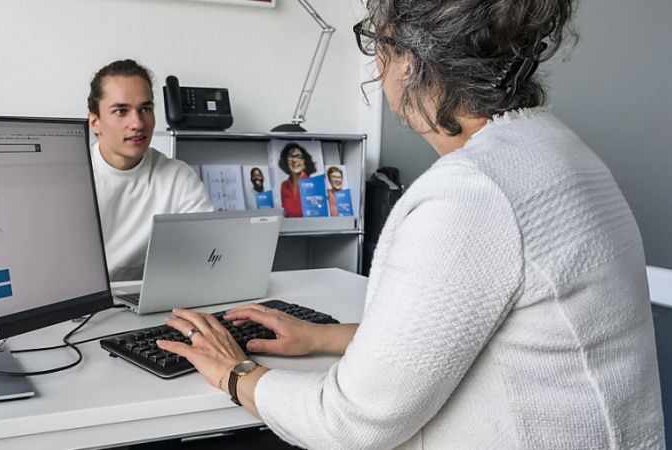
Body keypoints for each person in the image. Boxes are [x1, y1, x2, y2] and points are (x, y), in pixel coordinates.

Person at [156, 1, 664, 448]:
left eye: (379, 43)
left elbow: (347, 424)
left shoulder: (472, 194)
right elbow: (469, 333)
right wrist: (325, 337)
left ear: (413, 61)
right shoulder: (558, 150)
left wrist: (234, 371)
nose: (377, 64)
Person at [87, 59, 213, 281]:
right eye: (121, 111)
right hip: (89, 303)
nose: (137, 123)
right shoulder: (73, 178)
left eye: (145, 109)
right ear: (95, 122)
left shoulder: (178, 177)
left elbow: (208, 253)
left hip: (155, 297)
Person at [277, 142, 317, 218]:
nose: (294, 160)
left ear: (305, 162)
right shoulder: (284, 185)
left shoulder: (313, 183)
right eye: (290, 157)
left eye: (298, 157)